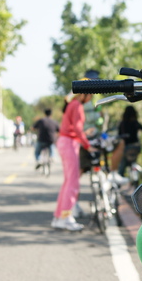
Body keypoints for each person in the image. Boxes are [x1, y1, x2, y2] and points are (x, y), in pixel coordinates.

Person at [52, 91, 96, 231]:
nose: (90, 98)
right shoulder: (77, 104)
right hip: (69, 143)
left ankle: (59, 218)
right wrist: (87, 145)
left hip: (66, 142)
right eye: (91, 94)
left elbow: (74, 128)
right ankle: (66, 218)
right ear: (84, 94)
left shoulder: (72, 104)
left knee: (68, 182)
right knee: (72, 183)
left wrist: (83, 135)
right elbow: (77, 128)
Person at [114, 105, 142, 182]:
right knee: (134, 162)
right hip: (136, 146)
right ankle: (136, 179)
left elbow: (119, 135)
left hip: (126, 147)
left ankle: (119, 183)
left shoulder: (122, 123)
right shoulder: (135, 122)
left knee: (122, 165)